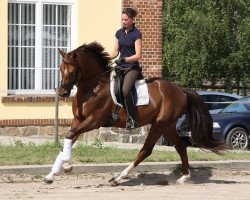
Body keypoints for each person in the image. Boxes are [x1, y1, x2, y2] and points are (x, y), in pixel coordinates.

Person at [110, 7, 142, 129]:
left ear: (133, 20)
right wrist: (106, 58)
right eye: (122, 19)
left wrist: (125, 59)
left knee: (124, 90)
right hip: (120, 67)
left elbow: (138, 55)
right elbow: (115, 52)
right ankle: (115, 113)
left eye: (126, 19)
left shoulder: (136, 34)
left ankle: (132, 119)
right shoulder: (119, 33)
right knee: (112, 89)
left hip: (132, 68)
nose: (123, 22)